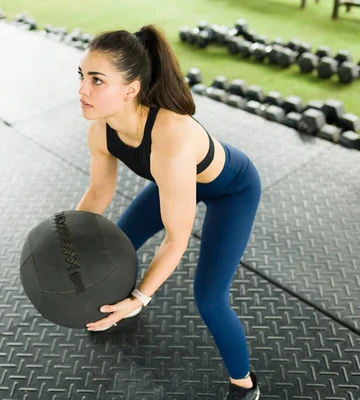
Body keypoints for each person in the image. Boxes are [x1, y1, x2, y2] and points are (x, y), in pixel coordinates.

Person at [75, 24, 262, 400]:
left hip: (231, 191)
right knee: (115, 247)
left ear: (131, 89)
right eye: (82, 76)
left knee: (209, 298)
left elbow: (176, 239)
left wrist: (142, 296)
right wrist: (67, 239)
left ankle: (245, 384)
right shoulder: (101, 129)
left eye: (97, 80)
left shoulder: (170, 136)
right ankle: (116, 308)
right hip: (173, 181)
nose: (82, 90)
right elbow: (98, 193)